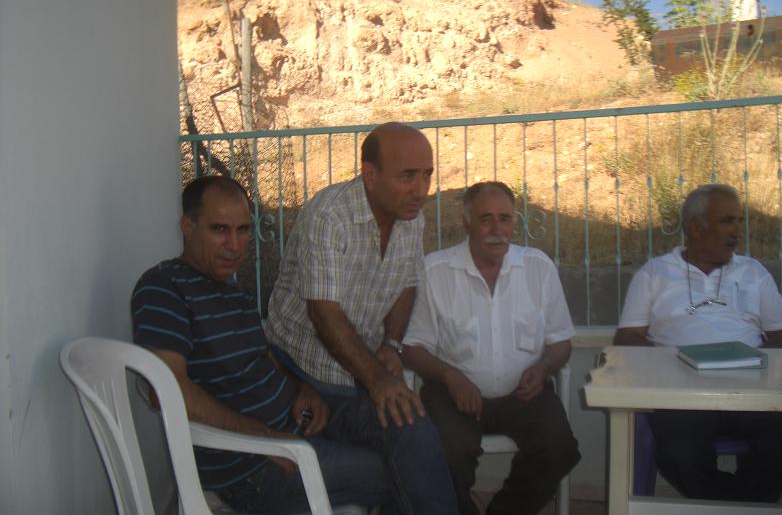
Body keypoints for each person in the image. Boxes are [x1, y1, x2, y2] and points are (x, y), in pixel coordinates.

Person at [131, 176, 396, 514]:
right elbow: (166, 390)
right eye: (219, 229)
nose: (234, 245)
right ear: (188, 226)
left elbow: (264, 356)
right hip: (250, 469)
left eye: (242, 230)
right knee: (392, 470)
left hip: (292, 432)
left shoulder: (232, 290)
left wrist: (300, 387)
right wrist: (265, 440)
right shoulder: (163, 288)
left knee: (399, 434)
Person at [266, 122, 459, 514]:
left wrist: (391, 344)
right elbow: (323, 312)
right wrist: (379, 382)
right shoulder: (329, 216)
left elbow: (405, 283)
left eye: (427, 175)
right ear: (370, 175)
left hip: (359, 375)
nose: (421, 190)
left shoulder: (411, 218)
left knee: (414, 437)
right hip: (305, 377)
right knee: (407, 444)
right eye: (408, 176)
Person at [401, 181, 581, 515]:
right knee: (443, 455)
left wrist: (544, 367)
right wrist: (450, 376)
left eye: (505, 219)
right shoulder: (435, 272)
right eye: (486, 219)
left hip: (524, 394)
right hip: (453, 393)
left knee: (560, 449)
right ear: (467, 223)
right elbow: (412, 348)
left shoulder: (538, 268)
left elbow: (561, 342)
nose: (497, 230)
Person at [615, 183, 782, 502]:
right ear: (696, 227)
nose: (737, 231)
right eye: (727, 221)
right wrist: (671, 362)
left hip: (752, 394)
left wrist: (743, 357)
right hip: (683, 397)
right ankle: (742, 506)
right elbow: (627, 337)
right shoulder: (655, 274)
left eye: (739, 221)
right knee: (677, 453)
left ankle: (728, 506)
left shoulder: (753, 272)